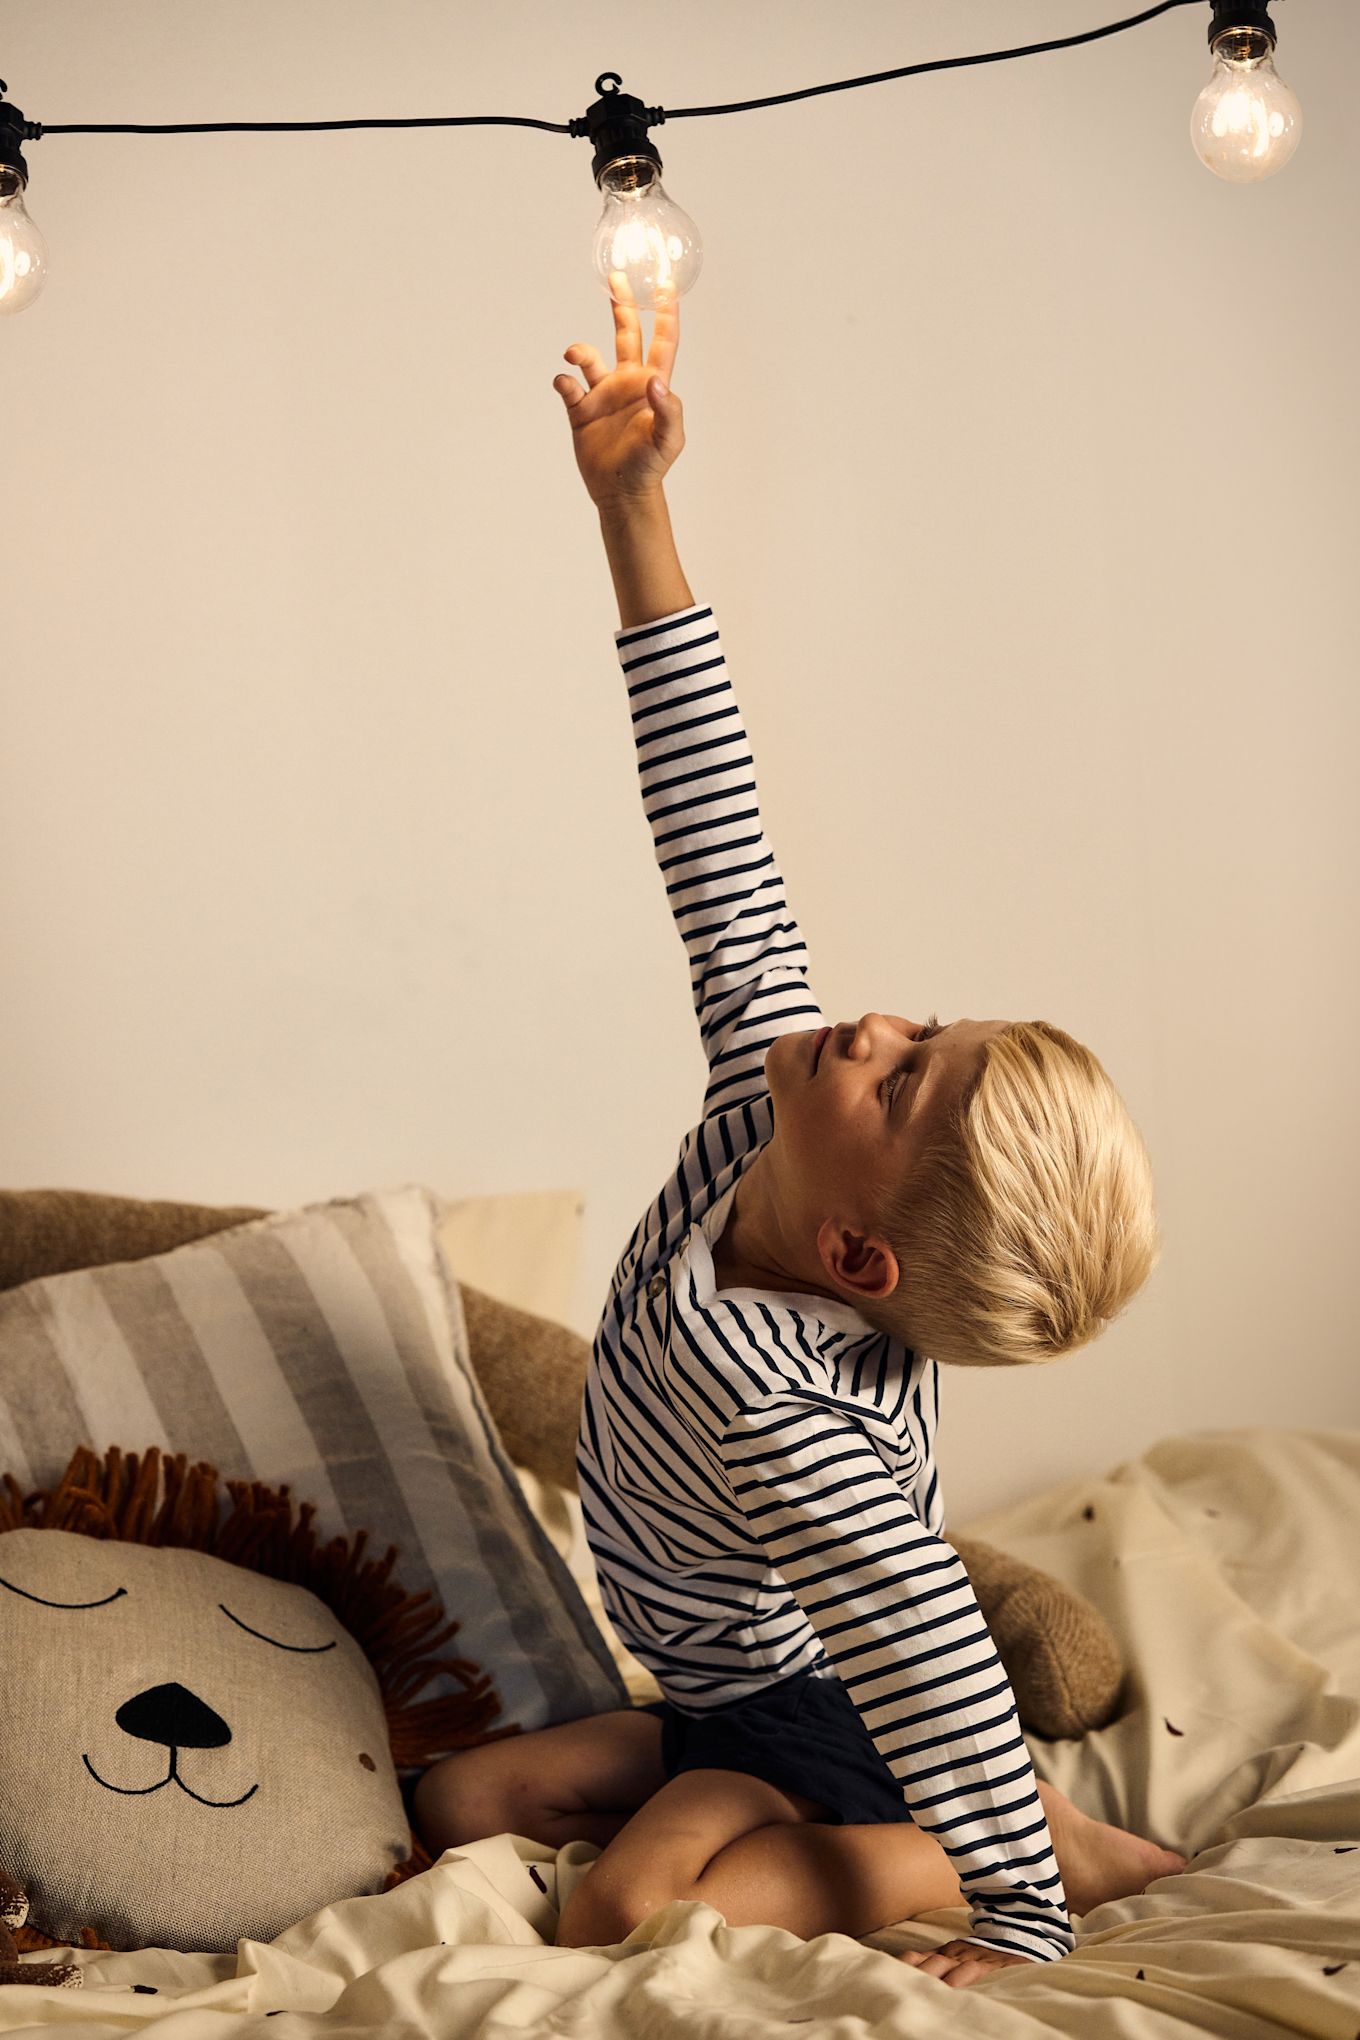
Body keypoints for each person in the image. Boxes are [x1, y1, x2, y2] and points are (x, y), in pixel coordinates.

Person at [413, 273, 1186, 1991]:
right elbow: (715, 825)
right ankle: (727, 1770)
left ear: (857, 1251)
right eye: (928, 1030)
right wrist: (635, 508)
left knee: (610, 1913)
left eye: (901, 1078)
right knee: (463, 1796)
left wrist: (1020, 1905)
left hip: (826, 1710)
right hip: (703, 1680)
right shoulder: (758, 1110)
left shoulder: (799, 1422)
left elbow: (923, 1655)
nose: (880, 1024)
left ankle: (1045, 1843)